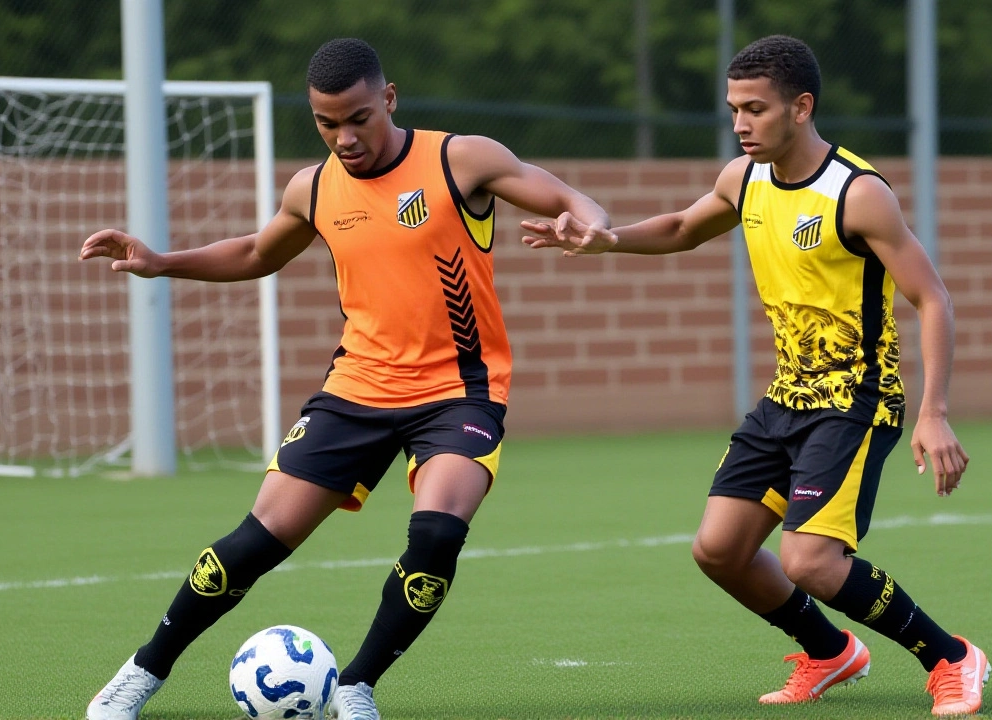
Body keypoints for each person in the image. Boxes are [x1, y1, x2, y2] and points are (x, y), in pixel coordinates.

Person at [80, 38, 612, 720]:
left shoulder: (460, 159)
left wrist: (590, 226)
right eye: (326, 123)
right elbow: (253, 251)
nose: (343, 137)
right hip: (356, 389)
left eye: (357, 118)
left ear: (388, 99)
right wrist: (161, 260)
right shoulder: (314, 186)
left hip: (458, 393)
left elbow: (568, 197)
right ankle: (141, 673)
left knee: (438, 535)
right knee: (252, 543)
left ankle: (357, 686)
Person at [521, 35, 989, 717]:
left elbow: (932, 297)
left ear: (801, 107)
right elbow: (683, 226)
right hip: (786, 398)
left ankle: (949, 657)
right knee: (719, 550)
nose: (741, 124)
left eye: (756, 109)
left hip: (854, 401)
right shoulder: (743, 178)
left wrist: (934, 410)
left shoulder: (857, 194)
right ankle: (831, 654)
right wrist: (608, 238)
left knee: (810, 562)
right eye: (734, 109)